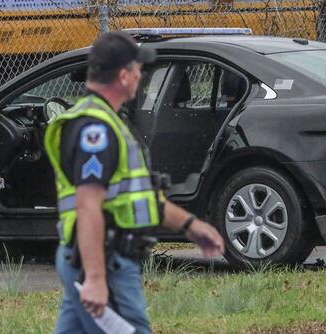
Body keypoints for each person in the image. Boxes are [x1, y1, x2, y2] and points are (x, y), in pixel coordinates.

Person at [44, 31, 225, 334]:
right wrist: (97, 279)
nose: (142, 74)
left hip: (91, 258)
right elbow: (89, 205)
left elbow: (139, 197)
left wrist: (192, 226)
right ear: (124, 75)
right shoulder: (95, 130)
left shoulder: (108, 122)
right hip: (104, 260)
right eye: (139, 68)